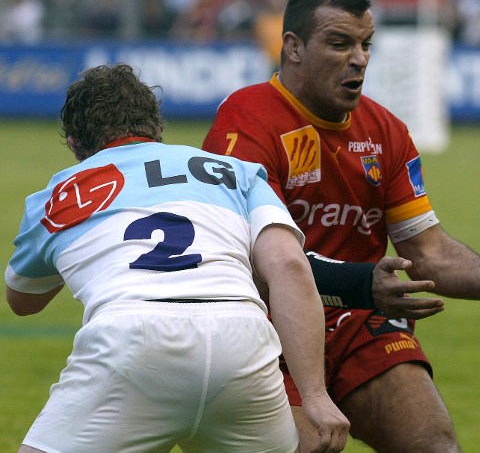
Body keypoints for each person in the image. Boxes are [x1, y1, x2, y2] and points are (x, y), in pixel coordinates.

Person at [202, 0, 480, 452]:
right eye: (340, 43)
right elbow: (251, 259)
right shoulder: (249, 117)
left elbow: (428, 250)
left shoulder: (385, 130)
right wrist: (364, 283)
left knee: (434, 446)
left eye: (366, 45)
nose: (359, 58)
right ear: (293, 48)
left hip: (357, 324)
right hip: (266, 324)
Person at [4, 63, 349, 453]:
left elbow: (22, 300)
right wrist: (316, 397)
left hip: (131, 338)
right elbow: (289, 266)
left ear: (74, 144)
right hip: (242, 338)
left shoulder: (62, 193)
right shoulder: (239, 172)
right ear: (157, 128)